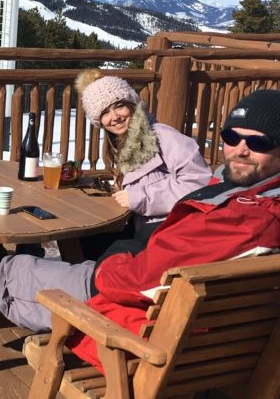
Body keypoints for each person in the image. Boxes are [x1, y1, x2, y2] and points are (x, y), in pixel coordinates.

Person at [0, 89, 280, 369]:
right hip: (183, 318)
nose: (239, 150)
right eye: (230, 138)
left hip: (139, 328)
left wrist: (111, 265)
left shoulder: (243, 220)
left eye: (257, 143)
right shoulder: (278, 204)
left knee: (15, 271)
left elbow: (139, 279)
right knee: (33, 276)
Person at [73, 69, 212, 259]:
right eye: (105, 113)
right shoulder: (123, 144)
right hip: (144, 227)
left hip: (171, 232)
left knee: (99, 252)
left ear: (133, 104)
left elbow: (200, 184)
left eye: (119, 106)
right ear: (99, 122)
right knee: (84, 236)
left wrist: (142, 198)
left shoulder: (162, 136)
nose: (114, 117)